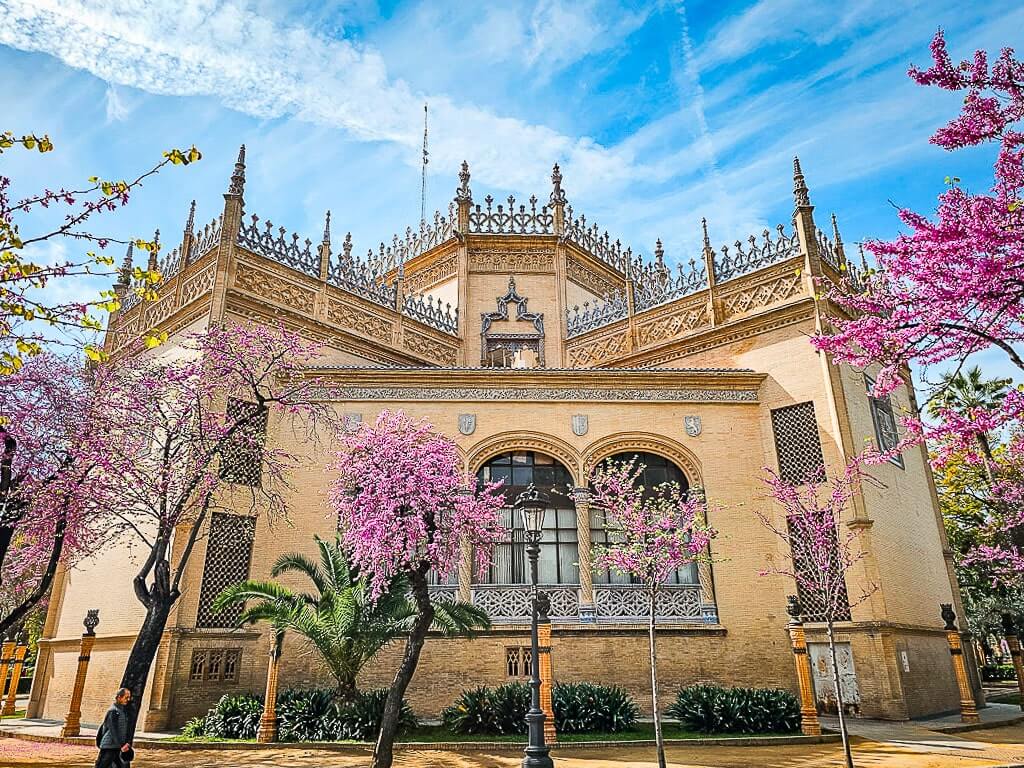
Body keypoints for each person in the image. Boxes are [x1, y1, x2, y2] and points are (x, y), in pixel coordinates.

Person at [94, 688, 132, 768]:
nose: (128, 700)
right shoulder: (113, 711)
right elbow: (113, 731)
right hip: (109, 746)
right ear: (119, 697)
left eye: (129, 697)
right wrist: (122, 745)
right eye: (126, 697)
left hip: (117, 746)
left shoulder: (121, 711)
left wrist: (125, 743)